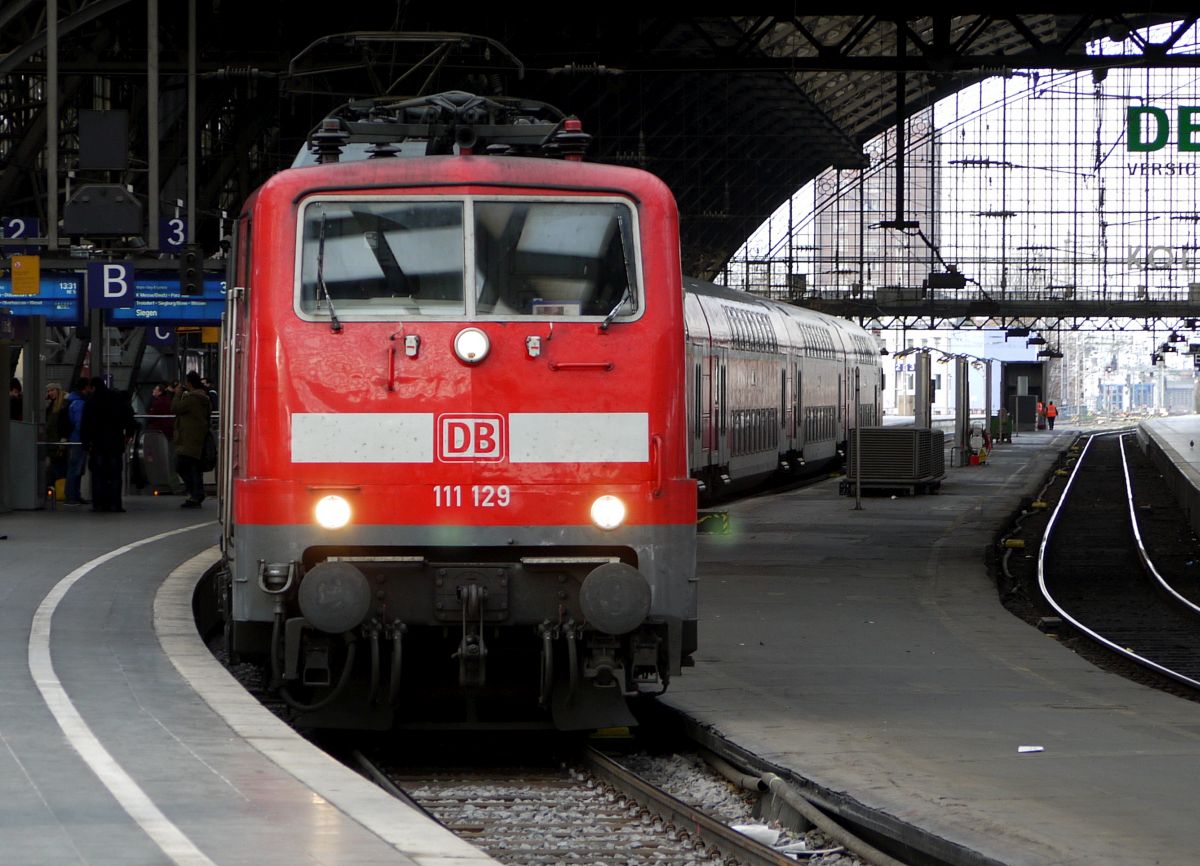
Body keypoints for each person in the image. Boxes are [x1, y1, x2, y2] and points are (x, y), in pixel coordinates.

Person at [80, 377, 137, 512]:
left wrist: (86, 443)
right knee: (115, 475)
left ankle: (99, 504)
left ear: (93, 387)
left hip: (98, 444)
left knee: (98, 476)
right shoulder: (117, 398)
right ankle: (115, 504)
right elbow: (129, 417)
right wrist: (128, 434)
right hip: (116, 443)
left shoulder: (91, 401)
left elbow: (85, 424)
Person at [173, 371, 212, 508]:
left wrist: (177, 394)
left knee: (182, 466)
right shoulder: (205, 398)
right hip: (199, 436)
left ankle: (194, 493)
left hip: (188, 438)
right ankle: (197, 493)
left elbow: (175, 408)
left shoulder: (191, 399)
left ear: (189, 383)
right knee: (194, 467)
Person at [64, 378, 93, 504]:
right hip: (78, 440)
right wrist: (85, 437)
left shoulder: (72, 400)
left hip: (75, 438)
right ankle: (72, 495)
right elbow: (79, 423)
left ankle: (74, 494)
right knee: (76, 467)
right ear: (85, 387)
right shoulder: (79, 403)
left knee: (76, 467)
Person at [43, 382, 68, 490]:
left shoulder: (63, 405)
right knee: (53, 468)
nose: (50, 393)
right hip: (51, 441)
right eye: (48, 391)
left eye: (52, 390)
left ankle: (59, 491)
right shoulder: (51, 405)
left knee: (58, 467)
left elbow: (64, 423)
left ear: (58, 390)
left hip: (58, 441)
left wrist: (63, 438)